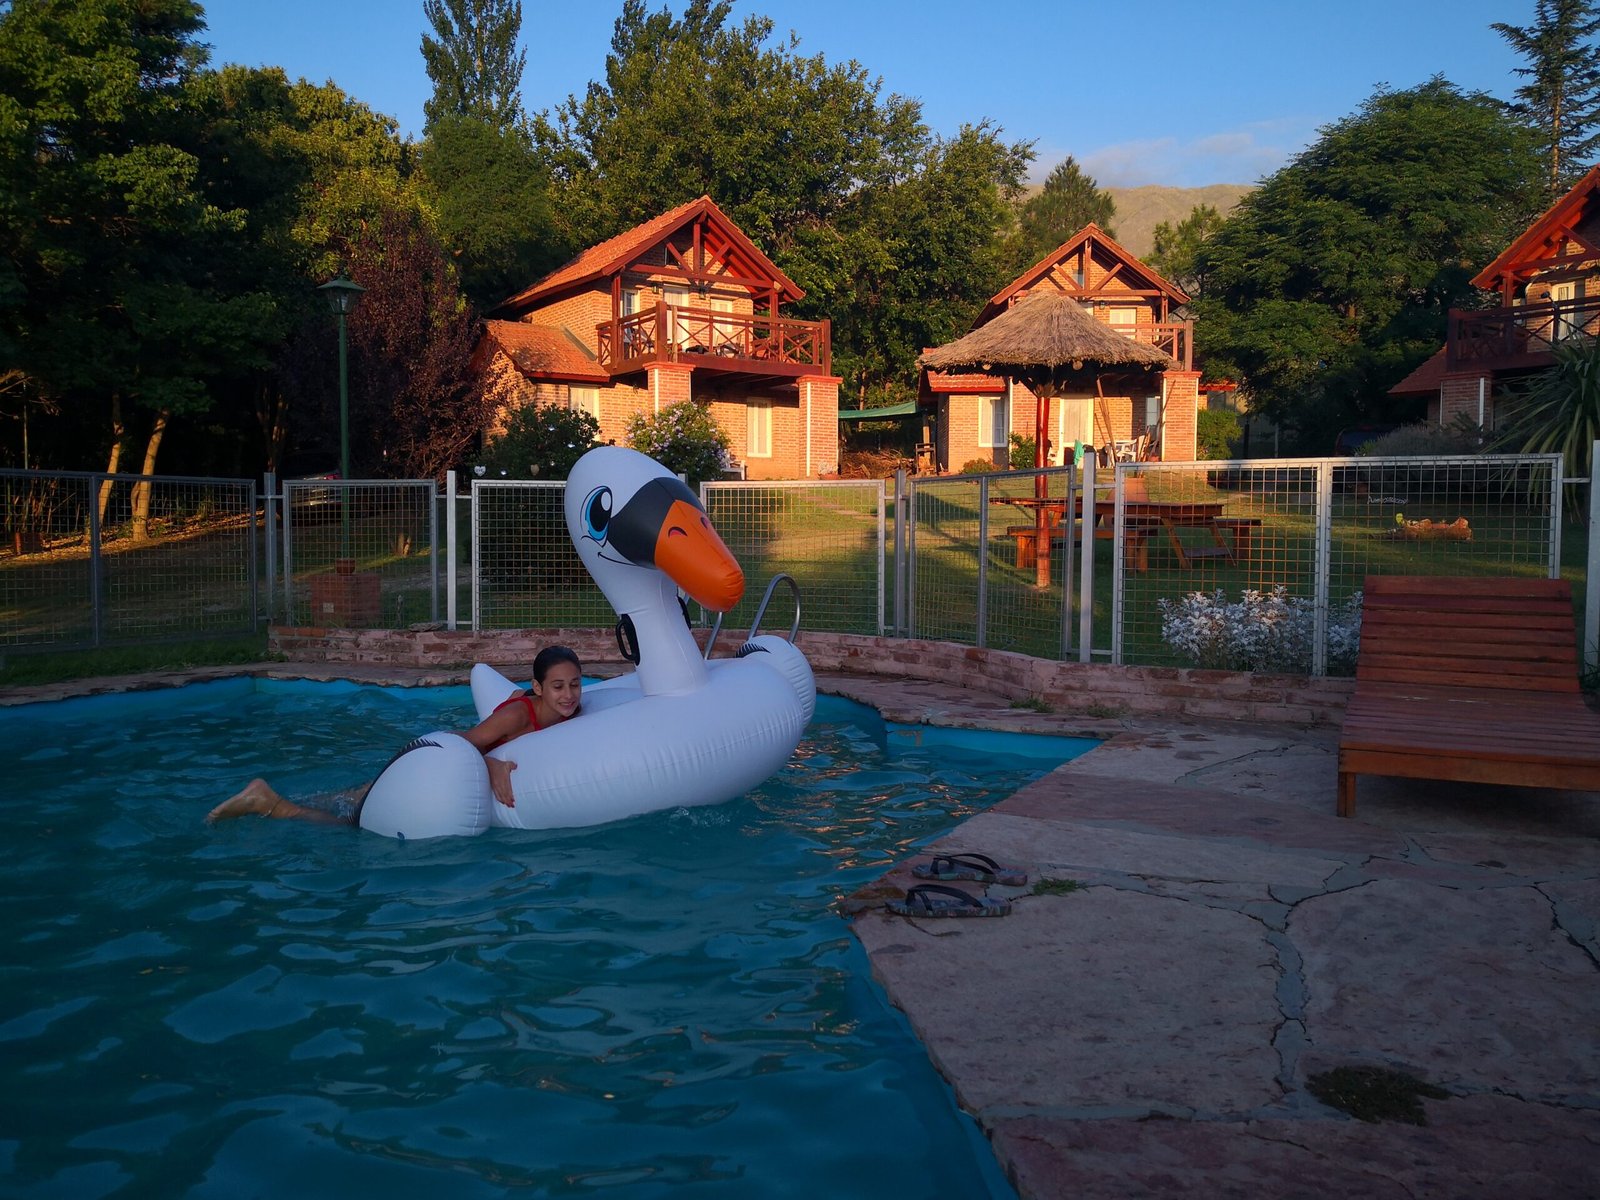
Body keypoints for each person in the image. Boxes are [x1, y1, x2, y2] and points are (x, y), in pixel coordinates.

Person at [206, 645, 584, 826]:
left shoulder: (566, 709)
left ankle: (278, 799)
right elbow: (461, 742)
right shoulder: (520, 715)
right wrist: (491, 765)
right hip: (425, 765)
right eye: (558, 687)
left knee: (345, 799)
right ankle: (268, 802)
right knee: (351, 824)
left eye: (575, 685)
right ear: (538, 687)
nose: (568, 695)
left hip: (419, 765)